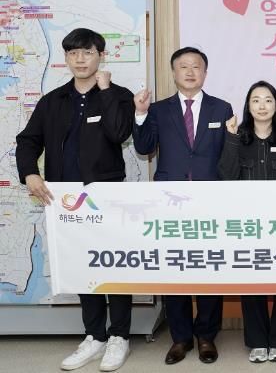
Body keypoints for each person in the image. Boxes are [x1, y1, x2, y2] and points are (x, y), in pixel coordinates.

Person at [16, 28, 134, 371]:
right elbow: (28, 141)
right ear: (66, 58)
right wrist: (30, 173)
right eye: (73, 53)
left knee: (113, 264)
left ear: (101, 55)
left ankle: (119, 336)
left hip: (106, 197)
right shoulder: (53, 100)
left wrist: (106, 91)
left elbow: (120, 133)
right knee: (83, 267)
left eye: (87, 52)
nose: (80, 59)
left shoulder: (118, 95)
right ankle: (95, 335)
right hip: (66, 200)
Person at [133, 47, 233, 365]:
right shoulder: (158, 110)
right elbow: (144, 147)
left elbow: (228, 155)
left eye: (196, 67)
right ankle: (180, 337)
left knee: (209, 267)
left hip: (210, 200)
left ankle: (206, 335)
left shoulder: (222, 108)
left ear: (205, 73)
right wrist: (140, 114)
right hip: (170, 201)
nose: (190, 72)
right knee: (174, 267)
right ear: (174, 72)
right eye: (183, 67)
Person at [218, 80, 276, 363]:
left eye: (268, 100)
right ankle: (257, 341)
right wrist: (231, 138)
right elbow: (226, 177)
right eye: (256, 100)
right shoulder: (238, 136)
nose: (262, 106)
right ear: (248, 106)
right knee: (251, 282)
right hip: (248, 225)